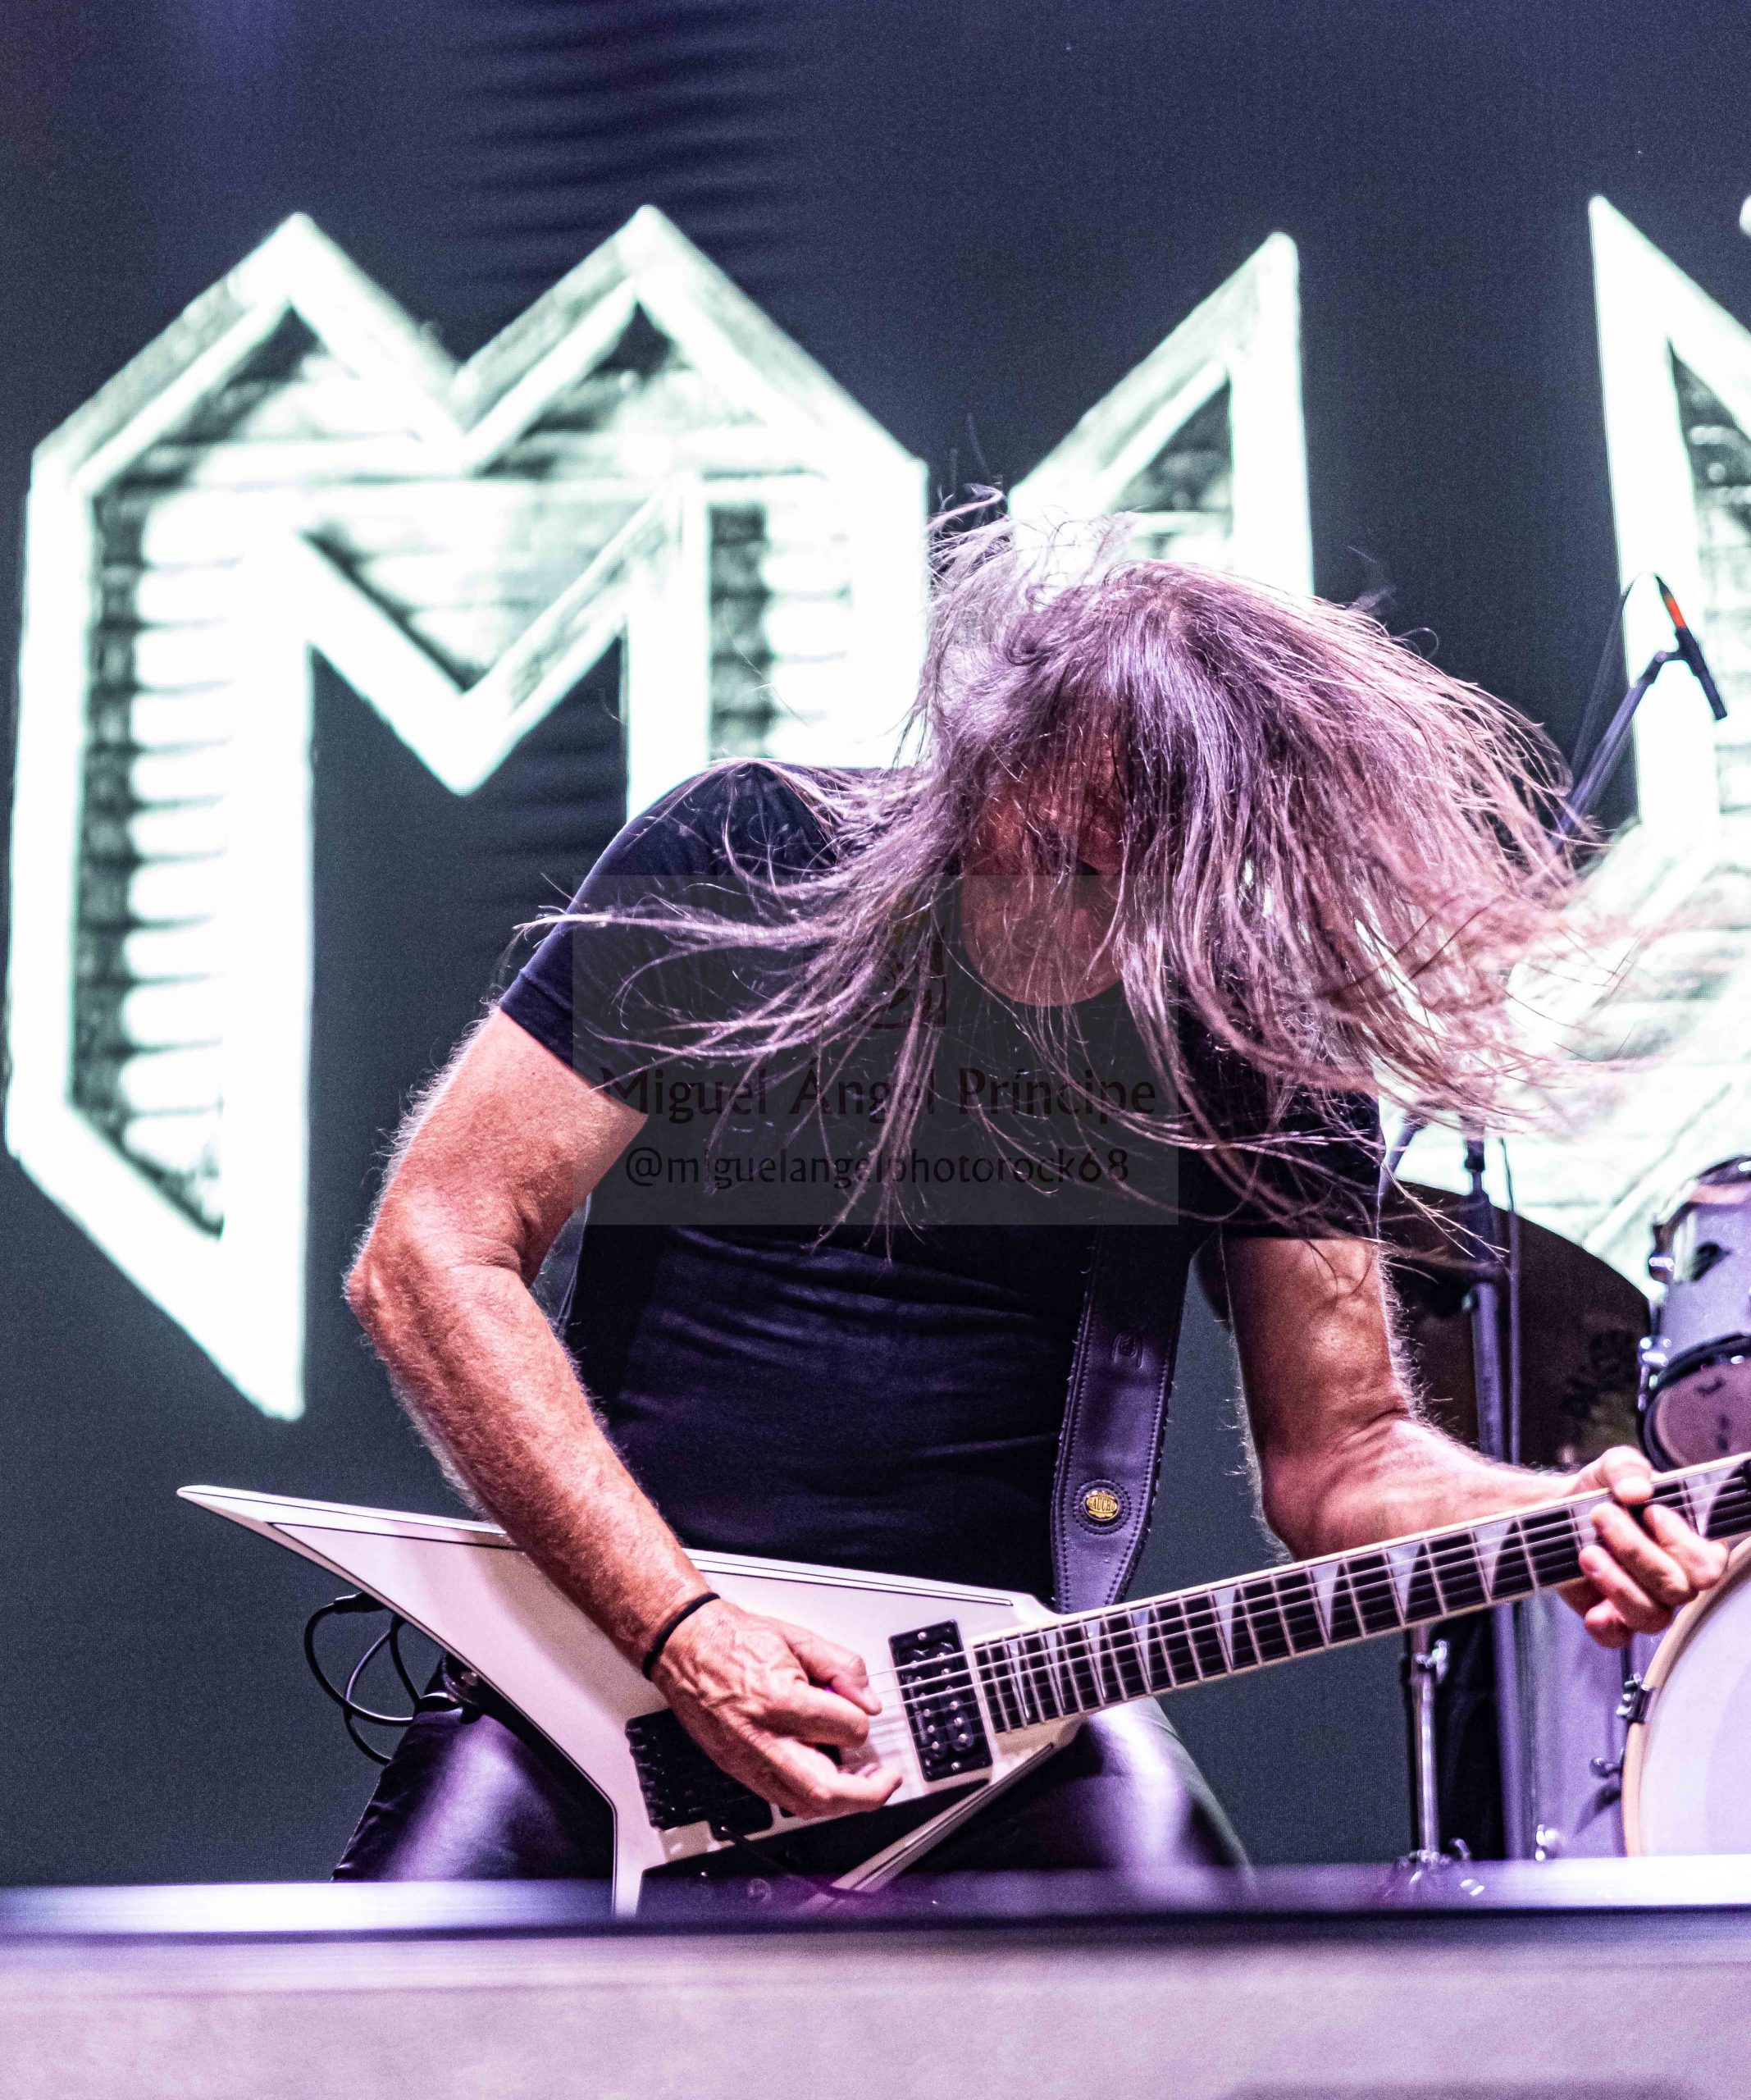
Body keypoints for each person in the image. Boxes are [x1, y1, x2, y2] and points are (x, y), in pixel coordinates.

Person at [337, 518, 1726, 1882]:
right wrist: (680, 1628)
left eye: (1144, 875)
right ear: (985, 757)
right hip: (610, 1681)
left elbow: (1344, 1458)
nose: (1083, 911)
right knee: (359, 2013)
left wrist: (1549, 1517)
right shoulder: (747, 855)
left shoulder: (1253, 1029)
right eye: (1059, 847)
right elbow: (431, 1248)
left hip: (997, 1724)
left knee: (1220, 1998)